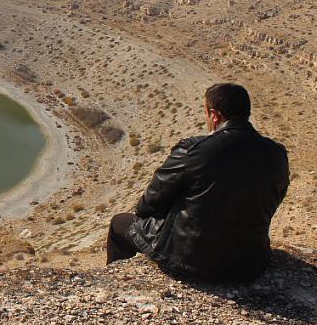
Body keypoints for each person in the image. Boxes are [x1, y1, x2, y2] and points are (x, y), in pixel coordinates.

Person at [106, 83, 289, 282]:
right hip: (250, 264)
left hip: (190, 262)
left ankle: (113, 282)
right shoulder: (276, 154)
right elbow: (273, 200)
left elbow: (149, 204)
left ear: (214, 115)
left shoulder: (192, 150)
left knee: (119, 224)